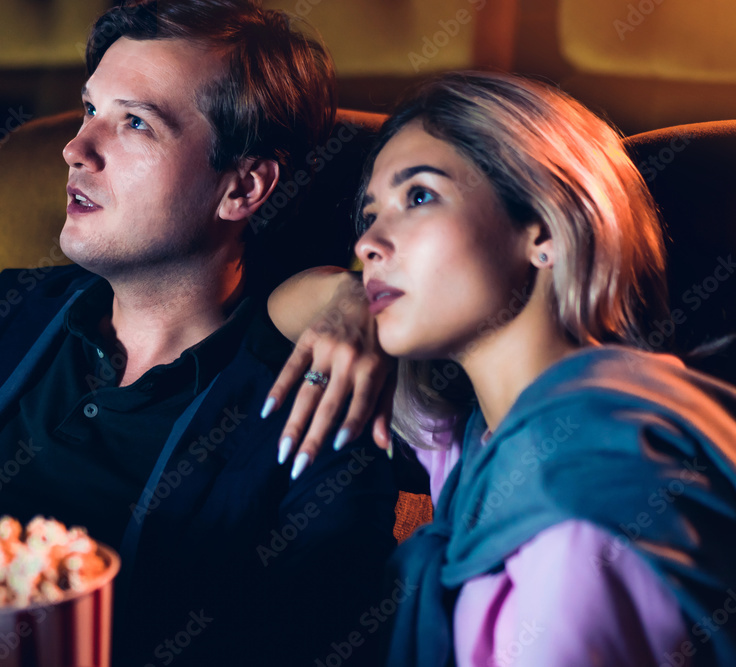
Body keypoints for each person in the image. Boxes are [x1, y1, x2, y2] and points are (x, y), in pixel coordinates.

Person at [0, 2, 400, 666]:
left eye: (134, 122)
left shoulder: (320, 394)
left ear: (241, 187)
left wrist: (358, 294)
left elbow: (316, 640)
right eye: (89, 109)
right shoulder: (8, 312)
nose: (76, 148)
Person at [265, 71, 736, 666]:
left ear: (543, 229)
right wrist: (351, 301)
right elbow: (282, 307)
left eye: (419, 197)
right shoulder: (486, 443)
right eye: (370, 214)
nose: (368, 245)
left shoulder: (573, 526)